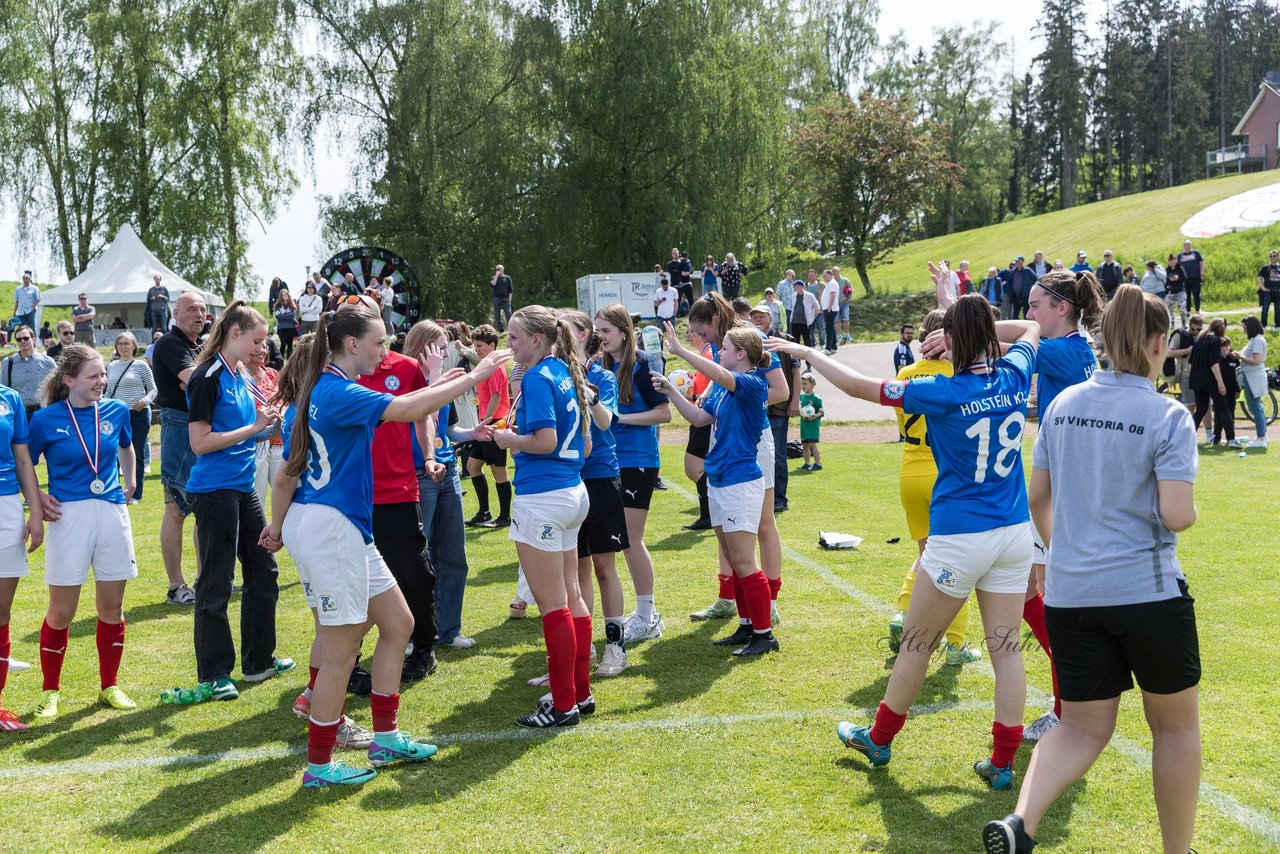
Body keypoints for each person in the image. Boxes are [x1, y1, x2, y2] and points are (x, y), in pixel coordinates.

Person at [766, 287, 1040, 791]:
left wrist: (808, 354)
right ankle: (1002, 762)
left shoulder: (943, 390)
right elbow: (1031, 330)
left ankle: (879, 737)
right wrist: (976, 333)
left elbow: (857, 388)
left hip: (961, 536)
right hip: (1014, 532)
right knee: (1006, 651)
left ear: (952, 338)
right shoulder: (1016, 371)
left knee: (916, 644)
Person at [984, 284, 1200, 854]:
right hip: (1147, 593)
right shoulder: (1168, 415)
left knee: (1079, 728)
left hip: (1073, 595)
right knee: (1174, 728)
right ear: (1158, 343)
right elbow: (1177, 514)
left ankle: (1021, 822)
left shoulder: (1062, 404)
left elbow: (1038, 498)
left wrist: (1067, 553)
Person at [261, 307, 506, 785]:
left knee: (399, 623)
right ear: (351, 345)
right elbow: (410, 410)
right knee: (341, 649)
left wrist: (278, 524)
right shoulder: (336, 391)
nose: (384, 350)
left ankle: (385, 739)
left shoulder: (319, 389)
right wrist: (474, 376)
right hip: (331, 528)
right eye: (378, 342)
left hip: (338, 525)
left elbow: (290, 469)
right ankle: (319, 766)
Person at [487, 305, 594, 727]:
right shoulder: (566, 371)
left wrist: (506, 438)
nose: (508, 343)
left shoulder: (536, 376)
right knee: (571, 596)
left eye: (513, 337)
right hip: (571, 490)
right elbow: (582, 444)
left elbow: (545, 440)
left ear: (536, 339)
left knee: (554, 605)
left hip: (544, 495)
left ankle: (564, 704)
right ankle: (579, 695)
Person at [183, 302, 292, 701]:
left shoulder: (241, 374)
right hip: (214, 491)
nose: (261, 348)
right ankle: (214, 674)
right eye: (256, 340)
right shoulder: (207, 375)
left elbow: (246, 433)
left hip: (242, 487)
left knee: (264, 569)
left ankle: (258, 662)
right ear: (234, 334)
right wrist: (254, 426)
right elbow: (200, 443)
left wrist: (268, 428)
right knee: (217, 581)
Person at [28, 345, 139, 719]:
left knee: (112, 607)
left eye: (103, 375)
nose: (101, 382)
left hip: (110, 512)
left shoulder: (116, 411)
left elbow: (127, 446)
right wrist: (37, 494)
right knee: (62, 611)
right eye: (93, 376)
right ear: (69, 380)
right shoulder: (46, 420)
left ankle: (110, 685)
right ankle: (50, 692)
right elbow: (22, 461)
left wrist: (132, 479)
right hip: (66, 517)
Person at [1020, 268, 1106, 741]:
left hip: (1060, 494)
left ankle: (1066, 709)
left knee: (1049, 601)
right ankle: (1069, 699)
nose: (1029, 313)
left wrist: (960, 312)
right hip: (1055, 484)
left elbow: (1010, 340)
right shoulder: (1069, 349)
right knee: (1026, 592)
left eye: (1035, 305)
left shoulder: (1069, 350)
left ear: (1062, 308)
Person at [657, 324, 779, 656]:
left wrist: (681, 351)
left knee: (743, 558)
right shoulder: (723, 389)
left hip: (741, 481)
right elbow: (698, 418)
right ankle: (746, 625)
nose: (719, 352)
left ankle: (765, 634)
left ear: (741, 354)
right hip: (720, 480)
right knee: (734, 558)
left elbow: (724, 377)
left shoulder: (753, 382)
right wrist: (671, 390)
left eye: (724, 348)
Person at [686, 293, 789, 627]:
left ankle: (769, 600)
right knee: (727, 525)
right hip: (725, 437)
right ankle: (729, 597)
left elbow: (780, 390)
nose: (703, 340)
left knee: (761, 524)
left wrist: (743, 397)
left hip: (753, 442)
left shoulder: (749, 340)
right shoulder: (723, 350)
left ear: (715, 321)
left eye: (702, 332)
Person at [886, 309, 982, 668]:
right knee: (959, 563)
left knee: (930, 556)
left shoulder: (905, 373)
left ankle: (902, 610)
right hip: (945, 474)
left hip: (910, 473)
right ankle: (955, 645)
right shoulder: (956, 375)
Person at [352, 321, 446, 672]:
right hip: (350, 496)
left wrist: (430, 456)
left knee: (414, 573)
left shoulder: (405, 368)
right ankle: (348, 659)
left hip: (398, 491)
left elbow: (422, 415)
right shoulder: (337, 372)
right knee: (353, 580)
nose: (381, 344)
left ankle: (423, 648)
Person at [404, 322, 493, 664]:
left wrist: (475, 431)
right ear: (423, 348)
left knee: (454, 555)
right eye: (439, 347)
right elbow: (414, 413)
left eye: (445, 347)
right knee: (418, 557)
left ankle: (449, 630)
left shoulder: (444, 379)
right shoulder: (409, 378)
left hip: (448, 473)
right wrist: (432, 378)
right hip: (419, 475)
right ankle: (416, 633)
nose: (445, 352)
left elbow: (449, 428)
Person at [595, 303, 671, 644]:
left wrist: (620, 419)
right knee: (618, 541)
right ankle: (642, 613)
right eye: (597, 331)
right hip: (611, 461)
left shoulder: (642, 365)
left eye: (606, 331)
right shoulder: (599, 365)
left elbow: (664, 413)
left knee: (630, 540)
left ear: (624, 332)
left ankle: (647, 615)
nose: (601, 337)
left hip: (638, 460)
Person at [152, 291, 206, 605]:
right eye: (191, 309)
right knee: (176, 508)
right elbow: (196, 380)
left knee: (203, 508)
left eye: (202, 309)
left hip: (198, 424)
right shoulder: (171, 344)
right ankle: (176, 587)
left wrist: (200, 380)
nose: (199, 314)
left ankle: (204, 580)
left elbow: (205, 380)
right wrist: (199, 379)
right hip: (178, 424)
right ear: (175, 313)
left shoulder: (199, 344)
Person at [0, 377, 45, 731]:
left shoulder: (10, 399)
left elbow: (23, 459)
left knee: (1, 609)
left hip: (7, 507)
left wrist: (35, 511)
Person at [749, 303, 800, 513]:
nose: (758, 319)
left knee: (778, 453)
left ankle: (779, 498)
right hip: (757, 406)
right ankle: (760, 495)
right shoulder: (749, 340)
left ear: (771, 318)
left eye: (762, 316)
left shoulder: (785, 340)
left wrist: (795, 400)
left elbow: (796, 373)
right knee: (757, 452)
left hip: (778, 406)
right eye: (755, 317)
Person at [464, 324, 512, 529]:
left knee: (499, 471)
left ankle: (504, 517)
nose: (477, 349)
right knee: (472, 466)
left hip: (493, 423)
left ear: (492, 345)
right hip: (484, 423)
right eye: (475, 345)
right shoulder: (485, 363)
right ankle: (484, 513)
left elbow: (496, 396)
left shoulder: (493, 367)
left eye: (481, 345)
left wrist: (486, 420)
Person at [105, 333, 156, 505]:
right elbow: (107, 391)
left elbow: (153, 389)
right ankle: (116, 489)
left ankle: (136, 493)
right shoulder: (111, 366)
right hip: (117, 414)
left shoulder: (141, 366)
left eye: (127, 343)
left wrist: (144, 402)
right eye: (120, 343)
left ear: (133, 346)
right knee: (114, 452)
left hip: (138, 414)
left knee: (137, 452)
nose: (123, 346)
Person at [681, 325, 716, 533]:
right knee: (697, 468)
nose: (688, 334)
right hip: (699, 416)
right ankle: (707, 515)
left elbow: (717, 380)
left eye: (692, 330)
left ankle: (710, 512)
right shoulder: (704, 354)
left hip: (705, 419)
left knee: (694, 468)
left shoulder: (710, 354)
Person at [245, 342, 282, 513]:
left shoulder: (272, 374)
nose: (262, 350)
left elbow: (286, 400)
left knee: (287, 502)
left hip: (278, 445)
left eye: (264, 346)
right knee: (256, 505)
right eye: (257, 345)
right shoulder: (239, 378)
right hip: (255, 446)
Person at [1, 326, 56, 420]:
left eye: (26, 338)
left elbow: (57, 387)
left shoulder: (48, 362)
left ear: (33, 339)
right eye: (19, 339)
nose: (22, 341)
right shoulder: (8, 363)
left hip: (43, 412)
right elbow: (3, 391)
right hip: (18, 414)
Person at [1188, 317, 1227, 443]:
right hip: (1209, 380)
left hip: (1196, 379)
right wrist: (1220, 383)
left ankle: (1188, 437)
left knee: (1200, 410)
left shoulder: (1199, 340)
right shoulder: (1215, 341)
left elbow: (1191, 363)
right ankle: (1230, 438)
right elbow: (1213, 363)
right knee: (1222, 407)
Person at [1238, 316, 1269, 448]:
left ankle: (1260, 437)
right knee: (1257, 407)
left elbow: (1257, 360)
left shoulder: (1257, 341)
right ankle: (1263, 436)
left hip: (1253, 377)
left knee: (1255, 407)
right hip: (1252, 376)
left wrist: (1240, 356)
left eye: (1244, 327)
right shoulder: (1255, 340)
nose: (1243, 329)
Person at [1215, 337, 1242, 447]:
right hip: (1219, 391)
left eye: (1226, 346)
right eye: (1222, 346)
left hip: (1231, 391)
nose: (1224, 348)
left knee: (1231, 414)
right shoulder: (1216, 359)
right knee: (1218, 415)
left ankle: (1231, 438)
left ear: (1230, 346)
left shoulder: (1234, 359)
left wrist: (1238, 390)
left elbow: (1238, 376)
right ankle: (1216, 437)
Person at [797, 374, 823, 471]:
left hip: (812, 425)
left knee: (812, 444)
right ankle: (807, 463)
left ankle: (818, 464)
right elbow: (799, 409)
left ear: (813, 384)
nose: (803, 386)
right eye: (801, 384)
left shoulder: (816, 398)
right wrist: (801, 414)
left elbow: (821, 411)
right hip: (804, 425)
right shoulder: (801, 397)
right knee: (805, 445)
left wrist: (815, 416)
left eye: (805, 384)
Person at [1177, 239, 1205, 313]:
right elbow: (1178, 267)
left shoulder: (1196, 253)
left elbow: (1201, 263)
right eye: (1187, 245)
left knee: (1196, 294)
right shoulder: (1180, 255)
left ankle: (1197, 310)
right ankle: (1188, 311)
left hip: (1195, 277)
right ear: (1184, 246)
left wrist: (1201, 274)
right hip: (1185, 279)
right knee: (1187, 295)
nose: (1188, 246)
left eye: (1189, 245)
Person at [789, 279, 819, 348]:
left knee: (807, 341)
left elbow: (817, 307)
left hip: (805, 323)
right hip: (794, 322)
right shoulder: (793, 295)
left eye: (796, 286)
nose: (794, 288)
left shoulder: (809, 295)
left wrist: (812, 319)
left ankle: (809, 358)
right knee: (796, 342)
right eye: (794, 286)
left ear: (801, 287)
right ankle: (797, 358)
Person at [1163, 253, 1188, 330]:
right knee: (1169, 308)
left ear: (1176, 261)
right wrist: (1170, 280)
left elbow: (1185, 278)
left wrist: (1178, 278)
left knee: (1182, 307)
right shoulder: (1166, 270)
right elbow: (1164, 280)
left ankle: (1184, 323)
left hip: (1180, 291)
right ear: (1168, 262)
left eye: (1173, 260)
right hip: (1170, 292)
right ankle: (1172, 323)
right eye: (1170, 261)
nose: (1172, 262)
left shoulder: (1180, 268)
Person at [1258, 249, 1280, 329]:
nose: (1272, 257)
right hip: (1268, 291)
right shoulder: (1265, 267)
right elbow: (1259, 278)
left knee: (1278, 310)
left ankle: (1278, 326)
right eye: (1270, 256)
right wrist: (1263, 288)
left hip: (1278, 292)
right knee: (1265, 310)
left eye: (1274, 256)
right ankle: (1263, 326)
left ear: (1277, 257)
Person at [820, 269, 840, 354]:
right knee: (831, 327)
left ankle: (828, 348)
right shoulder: (831, 283)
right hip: (829, 308)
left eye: (825, 276)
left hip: (830, 309)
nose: (824, 278)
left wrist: (829, 307)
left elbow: (832, 295)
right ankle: (834, 347)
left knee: (829, 328)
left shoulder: (832, 283)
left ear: (829, 275)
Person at [274, 289, 298, 359]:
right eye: (282, 295)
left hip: (291, 328)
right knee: (283, 344)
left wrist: (283, 315)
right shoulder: (277, 306)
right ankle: (280, 360)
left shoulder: (292, 305)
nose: (284, 296)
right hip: (282, 328)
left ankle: (289, 361)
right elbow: (278, 316)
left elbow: (292, 316)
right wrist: (287, 316)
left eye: (286, 294)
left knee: (290, 345)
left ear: (288, 295)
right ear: (280, 296)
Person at [490, 264, 513, 332]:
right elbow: (493, 284)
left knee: (508, 314)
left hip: (505, 298)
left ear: (502, 270)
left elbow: (510, 290)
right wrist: (496, 276)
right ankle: (501, 330)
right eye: (496, 269)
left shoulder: (507, 278)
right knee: (497, 315)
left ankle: (511, 328)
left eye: (499, 269)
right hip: (496, 298)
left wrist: (510, 300)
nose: (497, 270)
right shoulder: (494, 278)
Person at [834, 265, 853, 343]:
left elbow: (850, 289)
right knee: (837, 321)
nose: (834, 273)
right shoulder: (832, 281)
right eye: (833, 271)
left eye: (835, 271)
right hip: (835, 304)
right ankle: (839, 335)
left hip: (844, 303)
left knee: (846, 320)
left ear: (839, 272)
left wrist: (849, 299)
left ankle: (847, 334)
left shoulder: (845, 280)